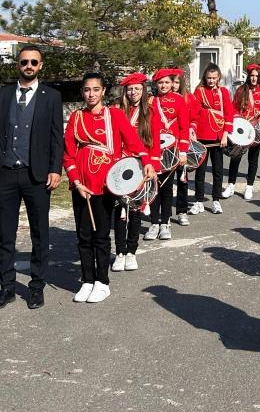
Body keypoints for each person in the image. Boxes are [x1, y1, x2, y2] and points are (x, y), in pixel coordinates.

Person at [0, 45, 63, 311]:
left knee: (40, 233)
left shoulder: (51, 97)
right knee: (6, 235)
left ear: (40, 66)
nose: (29, 65)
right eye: (24, 61)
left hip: (36, 176)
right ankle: (6, 288)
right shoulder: (2, 95)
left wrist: (55, 169)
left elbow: (55, 138)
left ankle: (36, 287)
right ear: (18, 64)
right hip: (5, 175)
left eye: (33, 62)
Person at [63, 72, 155, 303]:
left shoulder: (114, 115)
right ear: (82, 92)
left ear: (103, 91)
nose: (91, 94)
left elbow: (134, 142)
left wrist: (147, 162)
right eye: (87, 90)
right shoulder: (76, 117)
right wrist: (75, 181)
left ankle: (102, 282)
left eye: (96, 89)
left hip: (105, 185)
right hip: (81, 187)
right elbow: (68, 153)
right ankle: (86, 280)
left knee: (101, 236)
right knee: (83, 236)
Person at [113, 73, 164, 267]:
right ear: (125, 91)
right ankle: (119, 252)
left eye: (137, 89)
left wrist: (154, 166)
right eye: (130, 89)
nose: (133, 92)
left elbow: (155, 142)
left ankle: (131, 252)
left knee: (134, 210)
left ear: (143, 91)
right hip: (120, 164)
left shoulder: (150, 111)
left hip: (141, 165)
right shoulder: (116, 110)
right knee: (119, 210)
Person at [190, 64, 234, 215]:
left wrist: (225, 134)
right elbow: (194, 112)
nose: (211, 81)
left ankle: (216, 200)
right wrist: (193, 131)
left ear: (218, 78)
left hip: (217, 135)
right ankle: (198, 201)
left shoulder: (224, 92)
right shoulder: (199, 91)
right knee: (200, 171)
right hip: (202, 135)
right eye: (209, 78)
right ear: (205, 77)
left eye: (214, 78)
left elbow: (229, 113)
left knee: (218, 170)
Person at [151, 68, 192, 230]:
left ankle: (165, 222)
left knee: (167, 188)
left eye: (167, 82)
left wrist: (183, 151)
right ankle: (154, 222)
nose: (163, 85)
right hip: (154, 150)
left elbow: (184, 127)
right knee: (154, 186)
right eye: (160, 82)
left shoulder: (180, 100)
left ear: (172, 83)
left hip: (172, 150)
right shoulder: (150, 101)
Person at [225, 63, 260, 201]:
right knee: (236, 157)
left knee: (253, 159)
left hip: (255, 128)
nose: (254, 79)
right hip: (241, 129)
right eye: (252, 76)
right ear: (248, 76)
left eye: (256, 76)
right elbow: (233, 108)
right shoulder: (241, 90)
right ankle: (231, 185)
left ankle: (249, 186)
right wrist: (238, 119)